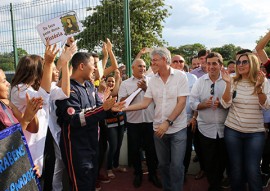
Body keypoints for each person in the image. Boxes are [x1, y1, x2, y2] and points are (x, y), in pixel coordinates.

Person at [55, 52, 124, 191]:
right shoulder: (68, 89)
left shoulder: (90, 86)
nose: (95, 69)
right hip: (77, 148)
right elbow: (74, 119)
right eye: (93, 65)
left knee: (91, 183)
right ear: (81, 66)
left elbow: (99, 108)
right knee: (81, 185)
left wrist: (111, 109)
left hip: (93, 144)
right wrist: (103, 109)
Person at [124, 47, 189, 191]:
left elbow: (182, 102)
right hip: (158, 130)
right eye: (151, 60)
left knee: (177, 165)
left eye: (154, 60)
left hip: (178, 128)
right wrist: (123, 108)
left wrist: (168, 122)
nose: (151, 63)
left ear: (164, 59)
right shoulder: (152, 80)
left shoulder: (180, 76)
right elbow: (145, 103)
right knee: (163, 165)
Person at [221, 52, 270, 191]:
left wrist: (259, 89)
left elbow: (266, 106)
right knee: (236, 169)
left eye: (244, 62)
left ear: (253, 63)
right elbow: (225, 104)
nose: (240, 65)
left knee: (252, 169)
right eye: (238, 62)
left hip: (255, 133)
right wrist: (227, 85)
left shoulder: (262, 81)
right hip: (232, 131)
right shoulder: (232, 80)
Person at [10, 43, 59, 179]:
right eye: (42, 68)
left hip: (38, 144)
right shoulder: (19, 90)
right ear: (35, 71)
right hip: (27, 146)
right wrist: (49, 63)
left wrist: (62, 62)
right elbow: (41, 99)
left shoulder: (30, 88)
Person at [118, 58, 161, 189]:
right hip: (133, 122)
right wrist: (136, 91)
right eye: (139, 66)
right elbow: (121, 102)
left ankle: (153, 174)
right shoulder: (125, 84)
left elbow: (158, 99)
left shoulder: (153, 81)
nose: (142, 68)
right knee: (135, 150)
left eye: (143, 66)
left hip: (150, 121)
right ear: (133, 68)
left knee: (151, 150)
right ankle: (138, 174)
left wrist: (145, 88)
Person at [190, 52, 228, 191]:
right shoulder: (200, 82)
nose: (211, 66)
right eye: (209, 63)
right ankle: (214, 185)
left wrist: (223, 104)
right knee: (209, 160)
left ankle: (218, 181)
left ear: (220, 65)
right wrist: (202, 105)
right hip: (205, 129)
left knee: (223, 159)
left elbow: (231, 103)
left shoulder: (227, 81)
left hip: (225, 129)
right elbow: (192, 102)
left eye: (214, 63)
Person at [170, 55, 197, 180]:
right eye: (175, 61)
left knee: (186, 150)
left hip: (187, 121)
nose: (178, 63)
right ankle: (172, 174)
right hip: (169, 122)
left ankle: (183, 173)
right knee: (170, 150)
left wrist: (194, 117)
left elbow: (196, 99)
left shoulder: (192, 78)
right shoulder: (164, 78)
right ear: (170, 64)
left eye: (181, 61)